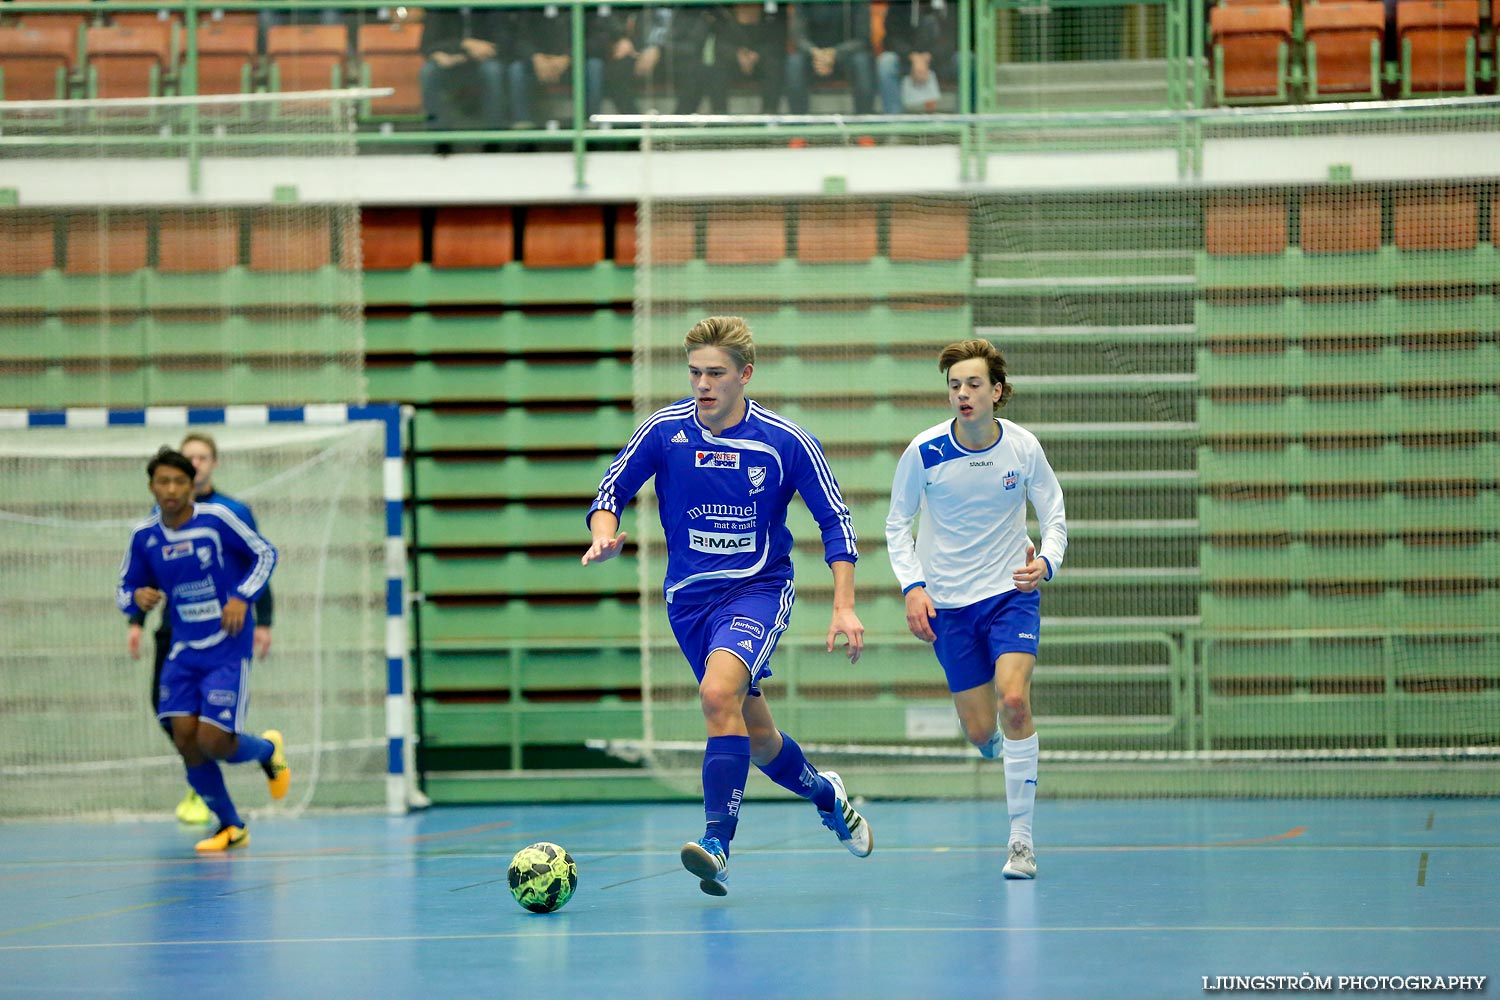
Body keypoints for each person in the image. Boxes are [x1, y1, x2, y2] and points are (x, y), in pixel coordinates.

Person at [582, 315, 872, 896]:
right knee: (755, 736)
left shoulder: (785, 442)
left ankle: (717, 843)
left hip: (757, 590)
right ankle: (826, 795)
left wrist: (844, 606)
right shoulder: (665, 432)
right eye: (694, 373)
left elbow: (835, 521)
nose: (703, 385)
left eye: (715, 373)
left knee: (717, 695)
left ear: (745, 375)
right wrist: (604, 532)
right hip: (690, 603)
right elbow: (611, 488)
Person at [884, 338, 1068, 880]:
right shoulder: (924, 452)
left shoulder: (1023, 448)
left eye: (973, 384)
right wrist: (912, 586)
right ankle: (995, 745)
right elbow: (897, 524)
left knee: (1014, 699)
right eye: (954, 385)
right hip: (950, 607)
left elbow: (1053, 514)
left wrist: (1048, 563)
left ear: (997, 391)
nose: (962, 394)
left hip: (1010, 593)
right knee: (978, 729)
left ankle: (1020, 842)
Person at [117, 447, 290, 853]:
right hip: (182, 651)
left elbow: (265, 554)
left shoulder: (217, 520)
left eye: (180, 481)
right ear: (152, 487)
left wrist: (243, 597)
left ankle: (267, 749)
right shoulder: (145, 537)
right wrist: (135, 601)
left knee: (214, 741)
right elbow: (125, 589)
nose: (172, 489)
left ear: (192, 486)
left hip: (227, 648)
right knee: (185, 740)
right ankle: (232, 826)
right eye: (163, 482)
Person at [672, 3, 792, 114]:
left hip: (762, 59)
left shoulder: (773, 11)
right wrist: (737, 54)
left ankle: (769, 115)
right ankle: (720, 117)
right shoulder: (722, 12)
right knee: (714, 68)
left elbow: (777, 40)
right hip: (732, 60)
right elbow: (719, 43)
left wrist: (757, 54)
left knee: (774, 64)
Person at [420, 5, 511, 132]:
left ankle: (494, 132)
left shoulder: (490, 6)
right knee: (428, 71)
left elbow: (503, 41)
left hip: (481, 62)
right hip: (450, 64)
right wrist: (464, 44)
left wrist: (465, 54)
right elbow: (427, 45)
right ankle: (439, 133)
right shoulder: (440, 7)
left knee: (492, 70)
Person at [786, 0, 876, 115]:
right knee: (794, 62)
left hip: (846, 56)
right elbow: (798, 36)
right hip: (814, 57)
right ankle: (798, 126)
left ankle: (864, 124)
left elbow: (863, 38)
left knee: (862, 61)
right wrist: (816, 53)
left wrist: (834, 53)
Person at [876, 0, 958, 114]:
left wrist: (929, 56)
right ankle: (894, 124)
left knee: (968, 61)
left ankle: (968, 123)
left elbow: (956, 37)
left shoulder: (955, 4)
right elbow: (891, 36)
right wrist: (912, 56)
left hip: (942, 58)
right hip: (907, 58)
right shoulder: (899, 3)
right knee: (886, 63)